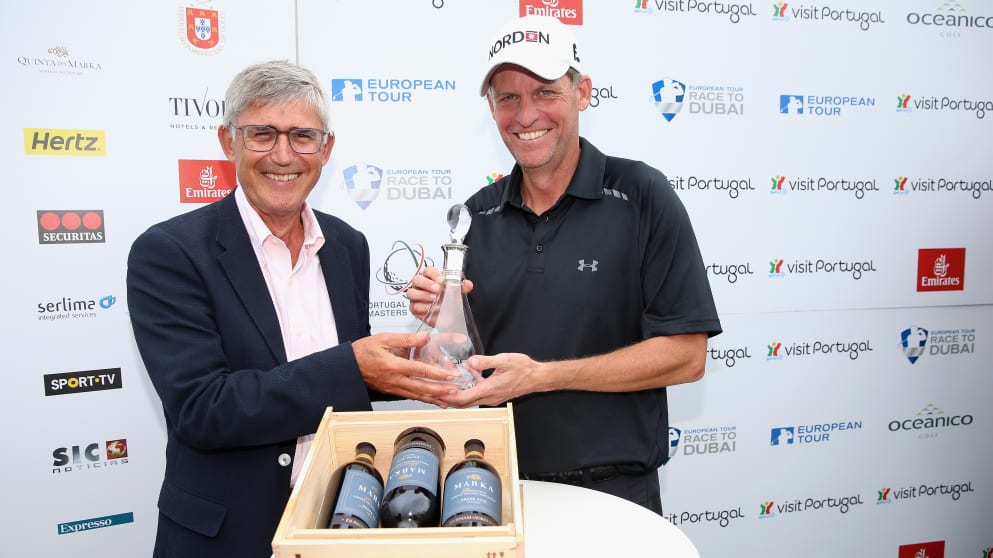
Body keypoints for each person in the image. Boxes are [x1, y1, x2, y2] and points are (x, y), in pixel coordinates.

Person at [126, 60, 460, 558]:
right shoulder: (170, 252)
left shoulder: (347, 244)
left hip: (341, 521)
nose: (283, 155)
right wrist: (354, 365)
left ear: (325, 148)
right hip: (228, 538)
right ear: (228, 141)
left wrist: (411, 363)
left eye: (302, 136)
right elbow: (202, 407)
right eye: (262, 134)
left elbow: (339, 371)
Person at [407, 15, 722, 514]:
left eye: (545, 92)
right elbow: (461, 361)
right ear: (491, 108)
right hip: (493, 489)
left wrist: (541, 376)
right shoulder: (476, 216)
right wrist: (439, 315)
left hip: (614, 496)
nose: (526, 114)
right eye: (508, 97)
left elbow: (687, 356)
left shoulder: (642, 195)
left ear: (583, 93)